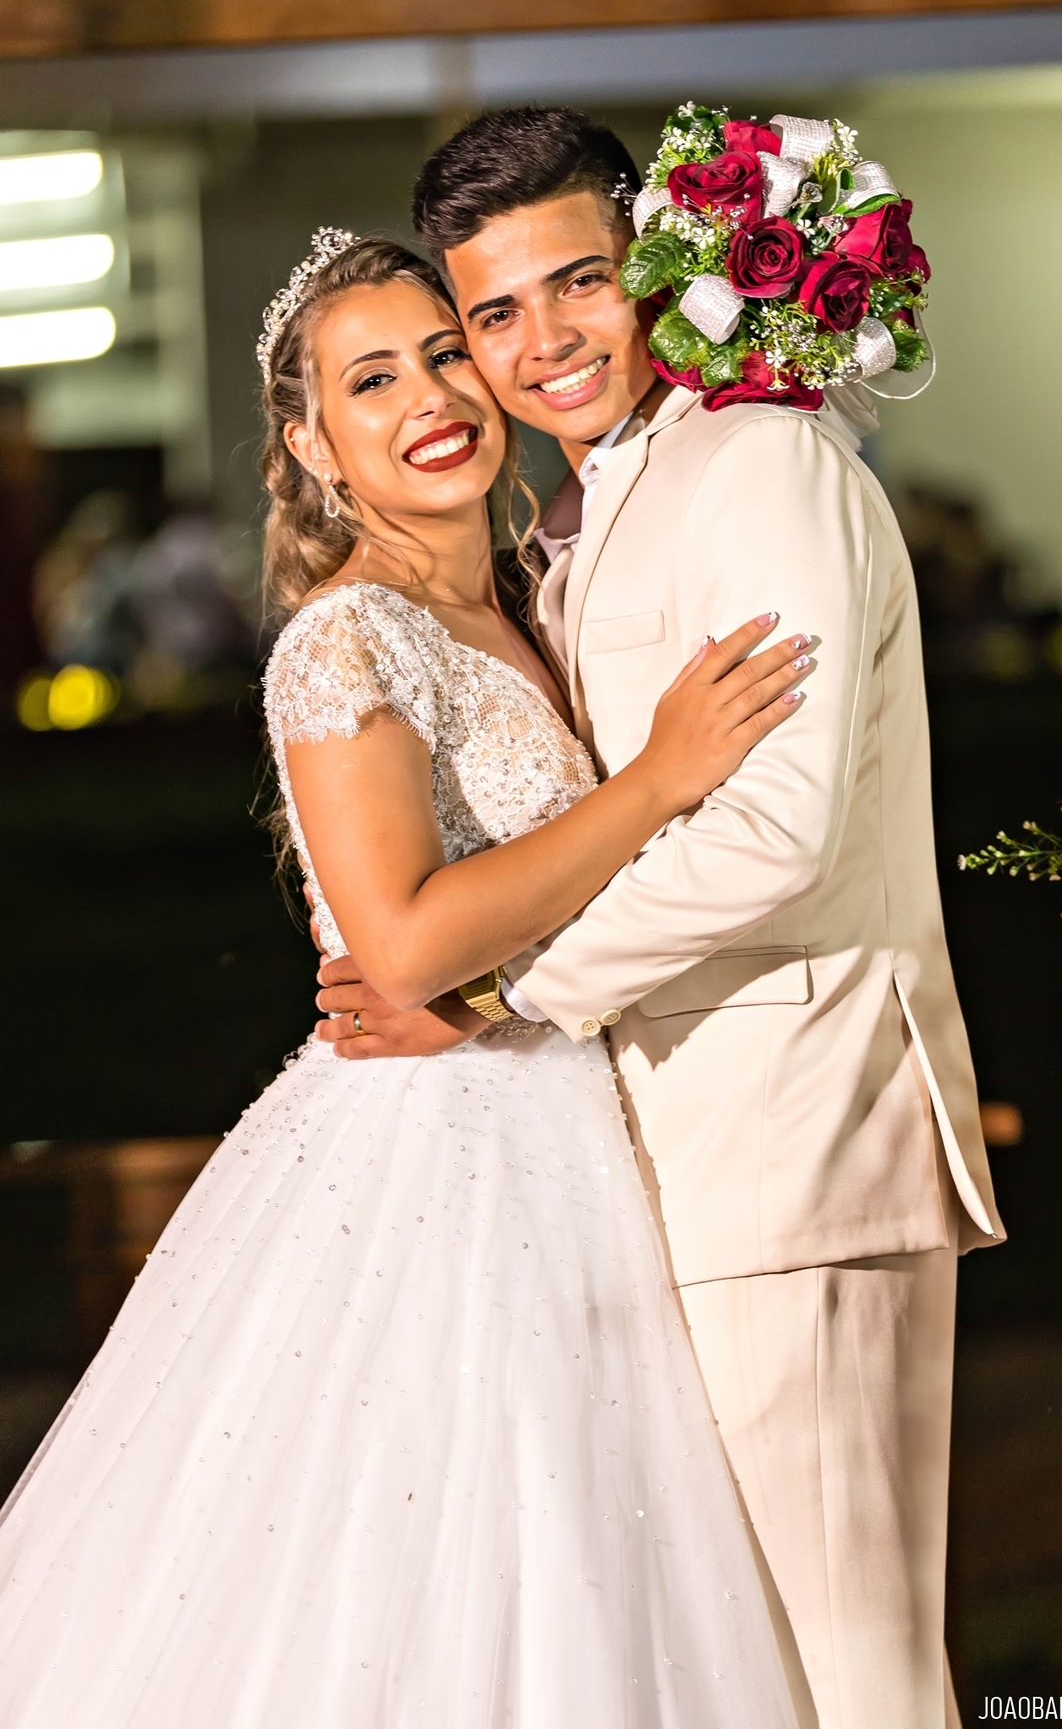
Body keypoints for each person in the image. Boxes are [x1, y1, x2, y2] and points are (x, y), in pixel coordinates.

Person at [0, 233, 813, 1727]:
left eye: (445, 355)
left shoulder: (525, 600)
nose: (431, 397)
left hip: (578, 1127)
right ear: (313, 443)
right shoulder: (345, 636)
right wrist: (659, 778)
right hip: (441, 1160)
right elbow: (409, 943)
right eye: (371, 380)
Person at [316, 108, 1007, 1729]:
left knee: (851, 1668)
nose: (544, 341)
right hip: (671, 1164)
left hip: (792, 1140)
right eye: (495, 313)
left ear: (660, 268)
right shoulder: (579, 521)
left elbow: (777, 832)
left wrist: (503, 990)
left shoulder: (758, 460)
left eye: (581, 283)